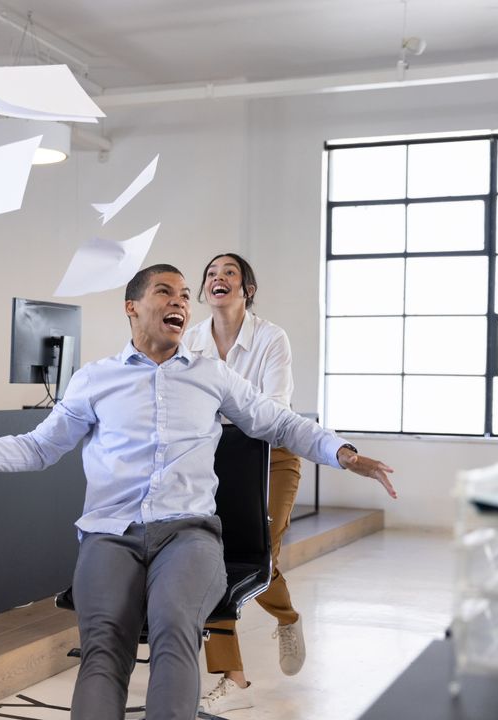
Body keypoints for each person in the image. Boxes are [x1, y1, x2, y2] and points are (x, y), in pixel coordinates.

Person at [0, 264, 396, 720]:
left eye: (185, 294)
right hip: (110, 535)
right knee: (103, 644)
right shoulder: (95, 379)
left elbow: (279, 422)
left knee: (173, 628)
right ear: (132, 307)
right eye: (165, 291)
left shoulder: (211, 374)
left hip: (190, 535)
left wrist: (343, 453)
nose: (180, 300)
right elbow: (40, 447)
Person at [184, 252, 305, 714]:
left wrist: (215, 408)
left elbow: (272, 408)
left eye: (228, 273)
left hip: (272, 456)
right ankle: (232, 677)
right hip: (214, 458)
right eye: (210, 273)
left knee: (260, 552)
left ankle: (287, 617)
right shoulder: (191, 339)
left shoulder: (271, 338)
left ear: (246, 289)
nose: (218, 278)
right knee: (216, 557)